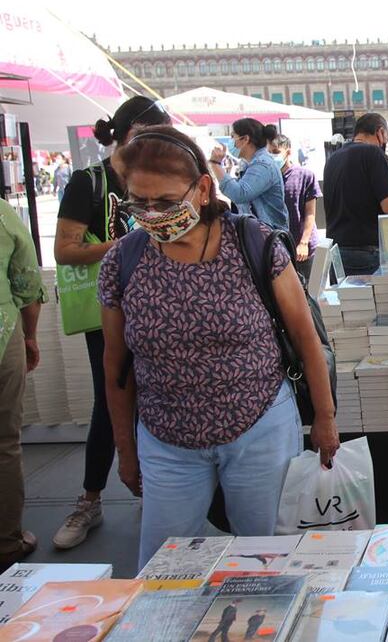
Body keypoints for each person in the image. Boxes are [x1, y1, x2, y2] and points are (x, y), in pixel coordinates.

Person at [98, 127, 339, 567]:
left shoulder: (253, 242)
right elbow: (116, 366)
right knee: (162, 568)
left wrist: (324, 418)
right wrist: (125, 450)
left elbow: (306, 339)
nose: (152, 215)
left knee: (267, 559)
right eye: (138, 203)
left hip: (260, 426)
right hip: (166, 437)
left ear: (203, 189)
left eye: (166, 202)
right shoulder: (122, 260)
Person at [51, 95, 171, 551]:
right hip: (110, 309)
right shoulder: (89, 182)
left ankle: (156, 493)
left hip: (160, 306)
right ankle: (90, 499)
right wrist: (127, 245)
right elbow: (64, 249)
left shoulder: (160, 177)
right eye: (154, 135)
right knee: (111, 398)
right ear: (131, 132)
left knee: (160, 394)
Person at [323, 113, 388, 276]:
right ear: (380, 132)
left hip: (336, 253)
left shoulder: (334, 158)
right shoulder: (373, 153)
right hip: (365, 255)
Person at [0, 198, 43, 570]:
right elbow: (27, 280)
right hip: (2, 332)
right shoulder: (2, 213)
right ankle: (6, 542)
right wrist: (30, 335)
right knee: (4, 443)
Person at [209, 118, 289, 232]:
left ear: (245, 139)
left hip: (269, 237)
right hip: (258, 235)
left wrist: (215, 164)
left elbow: (239, 194)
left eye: (233, 136)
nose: (231, 142)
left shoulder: (263, 165)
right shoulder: (250, 164)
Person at [267, 134, 321, 283]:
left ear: (288, 152)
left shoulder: (305, 175)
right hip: (278, 250)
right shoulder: (266, 178)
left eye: (275, 152)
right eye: (268, 153)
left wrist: (304, 243)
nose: (272, 157)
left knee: (311, 292)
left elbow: (310, 213)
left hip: (303, 249)